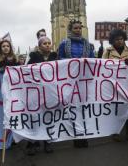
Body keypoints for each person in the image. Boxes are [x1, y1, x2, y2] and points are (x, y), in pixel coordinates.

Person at [58, 19, 94, 148]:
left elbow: (92, 60)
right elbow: (59, 60)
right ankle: (76, 136)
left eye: (80, 28)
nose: (78, 30)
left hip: (83, 80)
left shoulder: (88, 45)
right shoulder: (64, 44)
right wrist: (72, 62)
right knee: (73, 108)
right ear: (70, 29)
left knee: (83, 107)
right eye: (75, 28)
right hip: (70, 80)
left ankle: (83, 135)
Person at [103, 29, 128, 141]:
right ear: (112, 40)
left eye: (121, 39)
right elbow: (102, 67)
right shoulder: (107, 51)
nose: (119, 41)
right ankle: (115, 132)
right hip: (114, 84)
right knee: (116, 109)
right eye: (117, 39)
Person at [26, 36, 57, 155]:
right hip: (36, 92)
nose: (48, 45)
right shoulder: (34, 57)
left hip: (50, 92)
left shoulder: (55, 56)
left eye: (49, 43)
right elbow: (26, 70)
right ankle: (33, 143)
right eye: (45, 43)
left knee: (49, 117)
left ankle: (48, 142)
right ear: (39, 46)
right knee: (35, 117)